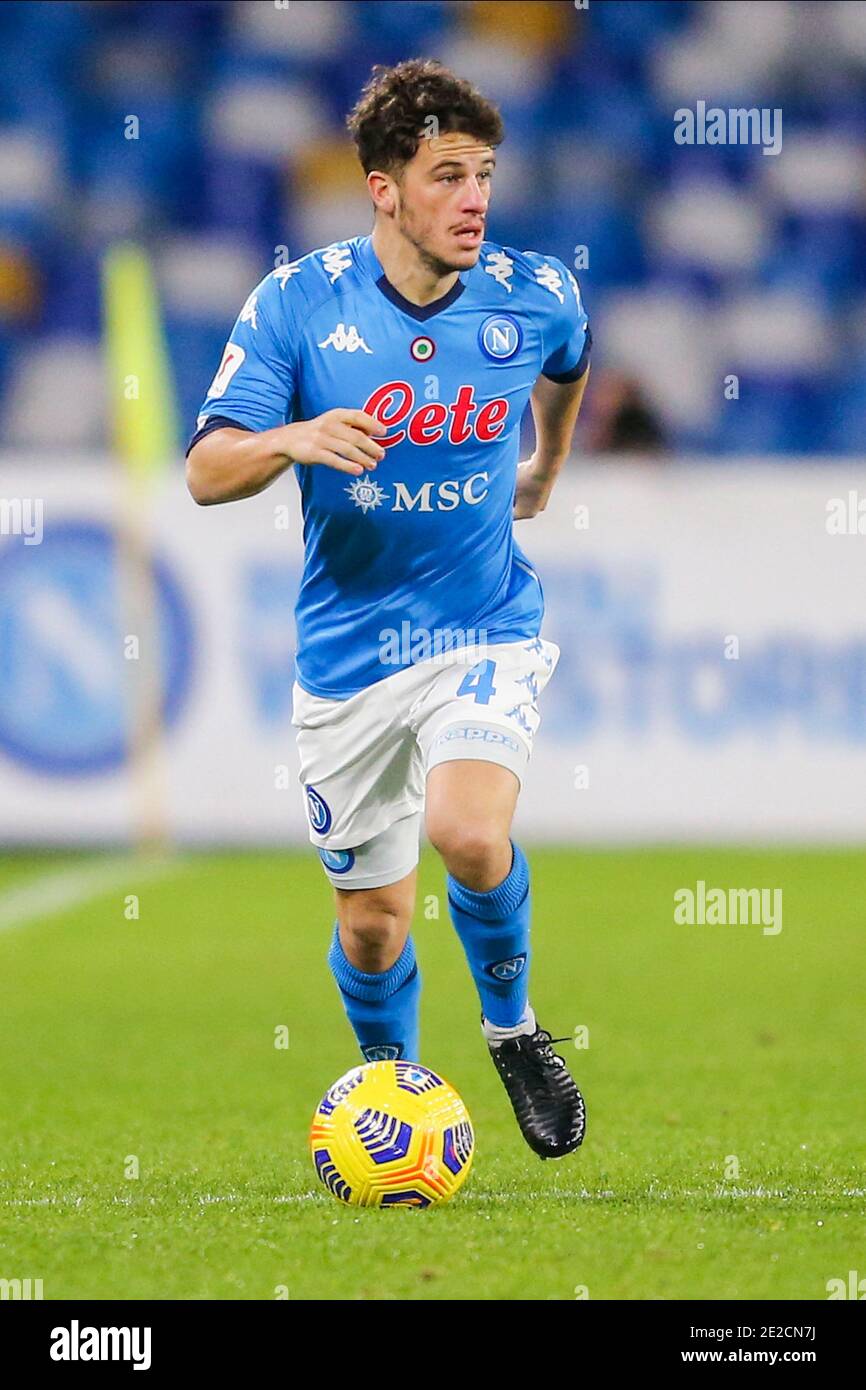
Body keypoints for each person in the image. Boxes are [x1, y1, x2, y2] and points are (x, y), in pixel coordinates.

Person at [186, 59, 591, 1159]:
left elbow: (567, 358)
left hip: (482, 623)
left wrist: (544, 466)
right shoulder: (296, 304)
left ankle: (511, 1032)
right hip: (348, 654)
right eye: (447, 175)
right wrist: (290, 438)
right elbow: (206, 471)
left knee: (467, 833)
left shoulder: (534, 290)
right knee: (371, 926)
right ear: (382, 189)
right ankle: (390, 1088)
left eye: (485, 176)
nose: (473, 199)